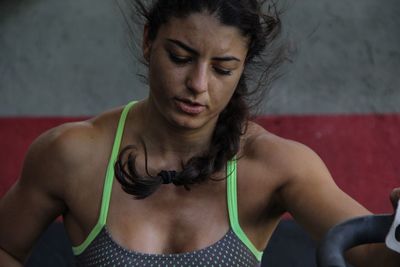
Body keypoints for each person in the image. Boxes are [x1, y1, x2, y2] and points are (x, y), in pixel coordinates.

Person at [0, 0, 399, 266]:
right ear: (147, 42)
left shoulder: (276, 165)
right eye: (180, 57)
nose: (198, 83)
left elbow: (366, 252)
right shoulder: (72, 154)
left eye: (223, 68)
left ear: (242, 68)